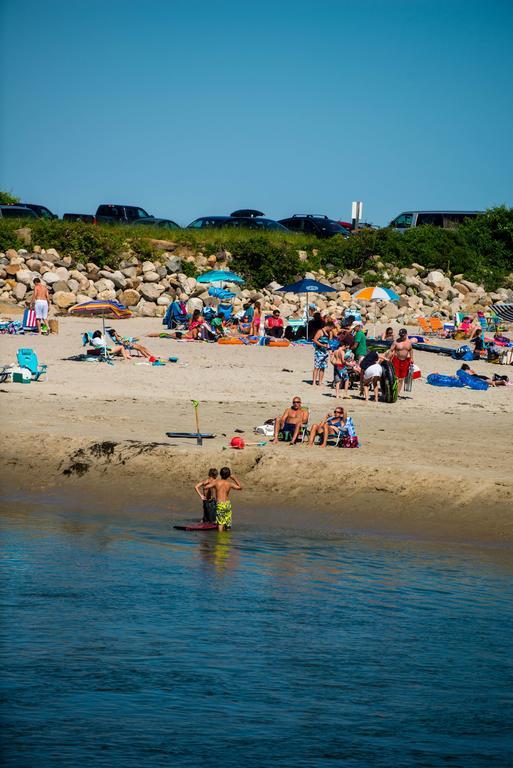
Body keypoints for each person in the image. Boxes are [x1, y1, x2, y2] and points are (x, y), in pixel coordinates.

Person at [203, 467, 242, 531]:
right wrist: (234, 479)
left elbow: (205, 487)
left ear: (220, 474)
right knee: (227, 524)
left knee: (220, 525)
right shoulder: (229, 484)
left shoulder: (216, 482)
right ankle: (227, 538)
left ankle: (220, 540)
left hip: (220, 505)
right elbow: (240, 487)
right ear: (229, 475)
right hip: (227, 505)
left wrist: (210, 483)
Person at [388, 328, 413, 394]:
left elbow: (410, 350)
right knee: (395, 377)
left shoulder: (409, 342)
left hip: (405, 361)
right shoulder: (396, 342)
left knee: (401, 379)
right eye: (400, 335)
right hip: (396, 360)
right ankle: (392, 390)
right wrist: (388, 359)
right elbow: (391, 350)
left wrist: (412, 358)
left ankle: (397, 393)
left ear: (406, 335)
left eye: (403, 335)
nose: (401, 337)